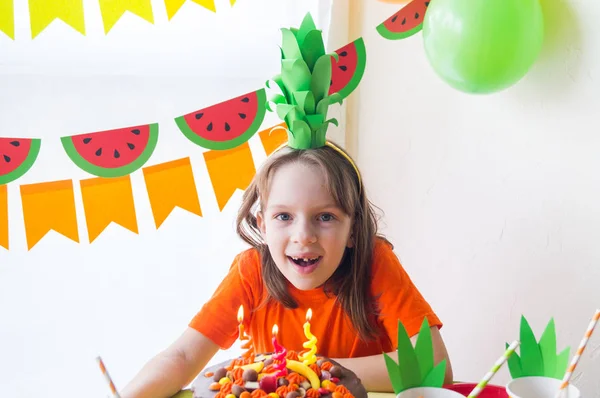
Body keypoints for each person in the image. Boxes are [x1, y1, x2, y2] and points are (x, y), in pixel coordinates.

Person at [121, 13, 453, 398]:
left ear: (352, 229)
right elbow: (181, 357)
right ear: (262, 225)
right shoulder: (251, 272)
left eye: (325, 217)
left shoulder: (372, 262)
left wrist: (307, 366)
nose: (303, 236)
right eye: (283, 216)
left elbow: (436, 367)